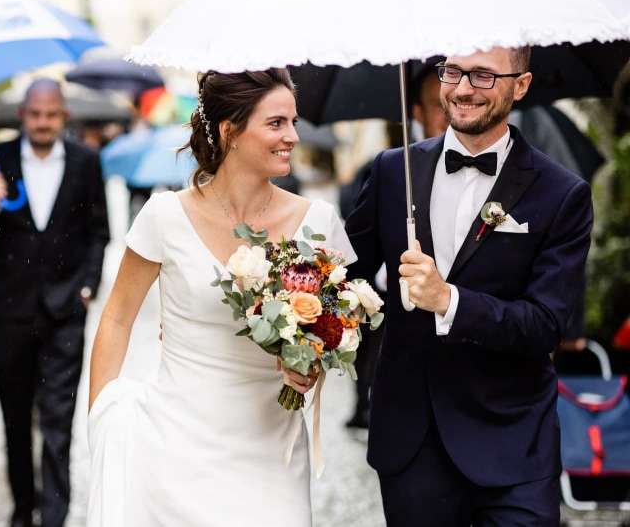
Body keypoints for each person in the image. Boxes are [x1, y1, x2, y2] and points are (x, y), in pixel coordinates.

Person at [86, 68, 355, 526]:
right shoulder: (164, 216)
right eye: (276, 123)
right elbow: (115, 318)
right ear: (231, 131)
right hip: (172, 450)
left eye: (293, 121)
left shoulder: (319, 221)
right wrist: (101, 419)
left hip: (273, 455)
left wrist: (309, 365)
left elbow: (338, 327)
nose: (292, 135)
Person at [345, 46, 593, 526]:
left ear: (520, 85)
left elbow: (544, 326)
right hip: (413, 439)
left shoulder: (562, 193)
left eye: (482, 76)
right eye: (453, 72)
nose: (461, 89)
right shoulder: (392, 171)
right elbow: (343, 276)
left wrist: (448, 300)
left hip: (514, 440)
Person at [0, 78, 110, 527]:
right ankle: (20, 510)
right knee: (15, 419)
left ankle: (53, 516)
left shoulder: (88, 162)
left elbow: (99, 232)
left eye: (51, 114)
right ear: (22, 115)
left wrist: (87, 288)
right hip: (11, 311)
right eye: (35, 114)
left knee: (58, 421)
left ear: (63, 116)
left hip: (65, 313)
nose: (42, 122)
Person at [341, 63, 449, 429]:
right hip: (391, 308)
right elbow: (351, 261)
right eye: (438, 103)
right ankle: (362, 407)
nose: (450, 110)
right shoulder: (390, 170)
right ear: (416, 111)